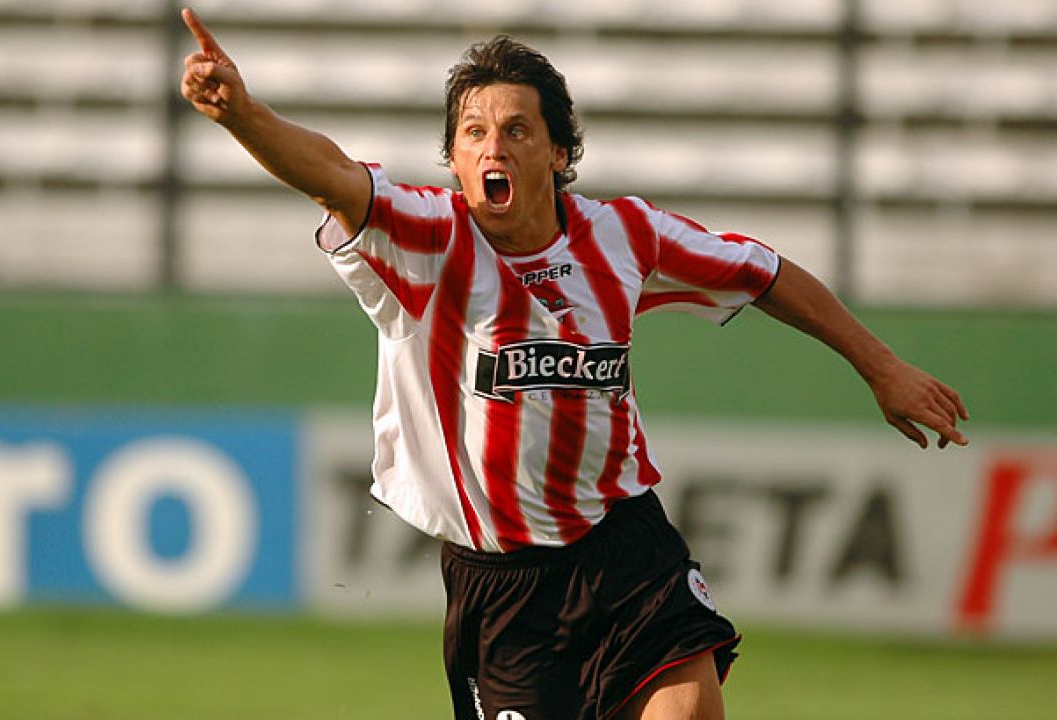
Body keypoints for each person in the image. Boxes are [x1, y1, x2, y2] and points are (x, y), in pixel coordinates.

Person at [179, 10, 969, 720]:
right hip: (505, 591)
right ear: (453, 158)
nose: (493, 146)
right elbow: (330, 173)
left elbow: (763, 271)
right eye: (473, 132)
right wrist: (243, 114)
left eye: (516, 129)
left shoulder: (626, 236)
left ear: (558, 152)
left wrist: (880, 366)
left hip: (623, 549)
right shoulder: (426, 239)